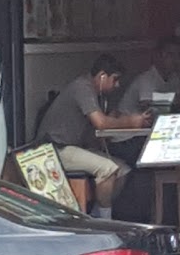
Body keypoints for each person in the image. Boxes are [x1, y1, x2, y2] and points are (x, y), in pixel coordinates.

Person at [38, 53, 150, 218]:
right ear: (102, 76)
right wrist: (130, 122)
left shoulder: (92, 92)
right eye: (115, 79)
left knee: (123, 170)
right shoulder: (82, 88)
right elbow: (101, 123)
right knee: (108, 169)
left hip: (72, 147)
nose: (117, 85)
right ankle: (105, 220)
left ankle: (97, 211)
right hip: (55, 149)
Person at [118, 37, 180, 115]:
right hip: (128, 122)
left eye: (178, 55)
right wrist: (179, 109)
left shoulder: (174, 79)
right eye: (170, 55)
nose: (175, 60)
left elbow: (176, 103)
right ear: (158, 56)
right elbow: (147, 109)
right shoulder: (146, 79)